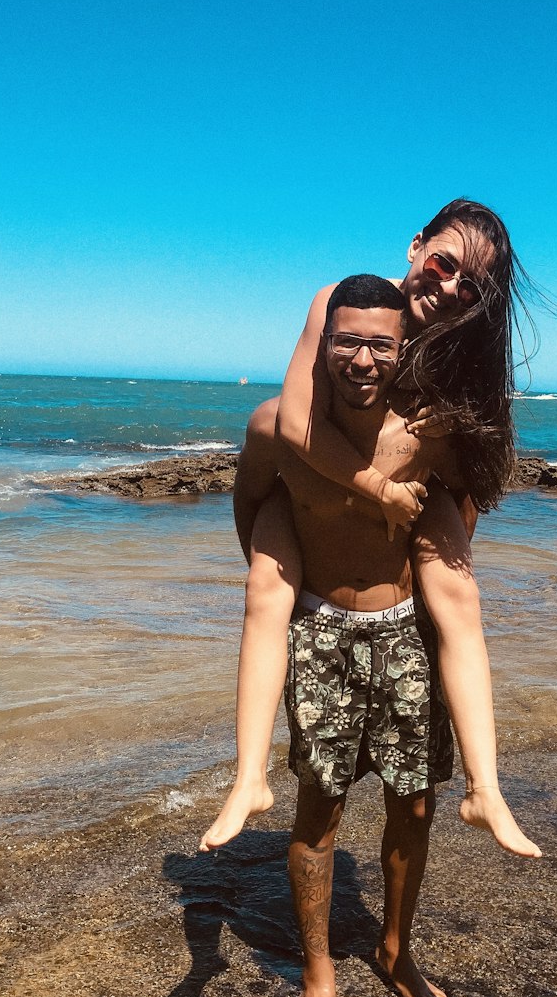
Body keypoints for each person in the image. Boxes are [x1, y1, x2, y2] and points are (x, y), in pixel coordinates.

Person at [234, 274, 539, 997]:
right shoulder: (275, 426)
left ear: (401, 353)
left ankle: (395, 949)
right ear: (320, 344)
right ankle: (318, 974)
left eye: (380, 345)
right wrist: (282, 569)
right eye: (347, 341)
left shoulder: (423, 432)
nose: (362, 359)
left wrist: (438, 557)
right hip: (323, 634)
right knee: (319, 809)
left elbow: (464, 505)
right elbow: (249, 500)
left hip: (403, 633)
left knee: (414, 804)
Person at [200, 200, 538, 856]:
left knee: (462, 600)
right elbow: (294, 420)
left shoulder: (452, 353)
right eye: (443, 264)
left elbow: (464, 481)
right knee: (265, 593)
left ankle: (484, 788)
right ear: (416, 246)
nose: (448, 288)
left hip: (412, 500)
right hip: (305, 482)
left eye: (469, 286)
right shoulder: (340, 304)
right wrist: (374, 490)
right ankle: (248, 779)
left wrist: (431, 549)